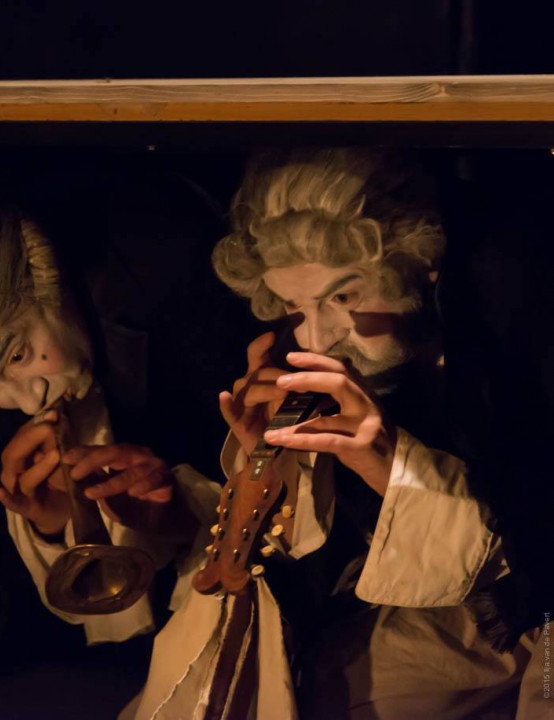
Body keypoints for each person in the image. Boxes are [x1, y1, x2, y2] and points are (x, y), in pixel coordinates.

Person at [125, 148, 545, 719]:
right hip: (416, 597)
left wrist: (393, 466)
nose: (315, 338)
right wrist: (275, 467)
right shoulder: (302, 349)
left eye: (344, 297)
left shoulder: (515, 330)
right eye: (292, 305)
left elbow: (531, 533)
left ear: (422, 266)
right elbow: (315, 556)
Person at [0, 185, 218, 649]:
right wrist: (51, 527)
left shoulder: (166, 270)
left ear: (45, 280)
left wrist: (186, 512)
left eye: (19, 355)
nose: (29, 403)